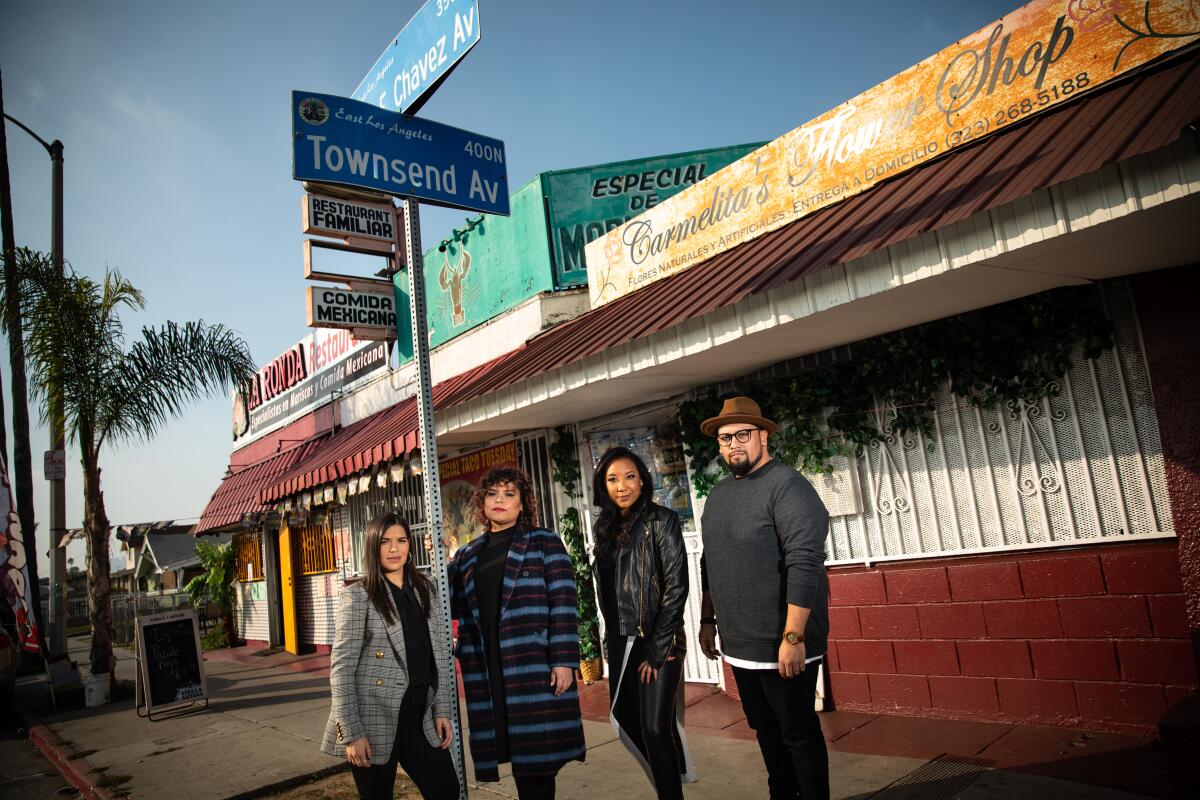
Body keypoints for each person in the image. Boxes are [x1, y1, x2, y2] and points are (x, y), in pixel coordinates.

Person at [697, 396, 831, 800]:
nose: (733, 445)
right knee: (766, 733)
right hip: (740, 645)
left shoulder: (788, 486)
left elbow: (805, 563)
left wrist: (793, 638)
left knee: (798, 735)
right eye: (725, 438)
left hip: (783, 643)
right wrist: (708, 620)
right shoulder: (718, 495)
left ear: (763, 437)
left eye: (742, 435)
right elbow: (710, 562)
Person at [447, 465, 585, 799]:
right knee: (511, 751)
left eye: (510, 494)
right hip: (488, 666)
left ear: (522, 504)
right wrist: (439, 557)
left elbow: (564, 602)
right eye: (492, 494)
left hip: (532, 664)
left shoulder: (544, 542)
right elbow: (447, 604)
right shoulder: (466, 554)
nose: (500, 500)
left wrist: (564, 660)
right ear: (482, 503)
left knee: (536, 762)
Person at [321, 513, 459, 800]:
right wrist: (351, 733)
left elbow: (440, 655)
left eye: (401, 540)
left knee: (446, 790)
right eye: (385, 542)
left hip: (420, 716)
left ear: (410, 545)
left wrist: (442, 709)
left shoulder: (426, 589)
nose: (394, 549)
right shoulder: (358, 596)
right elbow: (342, 668)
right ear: (373, 546)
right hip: (372, 719)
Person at [591, 446, 695, 799]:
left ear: (643, 480)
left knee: (654, 727)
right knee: (628, 723)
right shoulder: (603, 528)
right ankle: (667, 785)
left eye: (630, 476)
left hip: (655, 641)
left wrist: (658, 648)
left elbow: (676, 587)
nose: (622, 486)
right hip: (621, 641)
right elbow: (607, 592)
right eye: (612, 479)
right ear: (602, 487)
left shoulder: (661, 521)